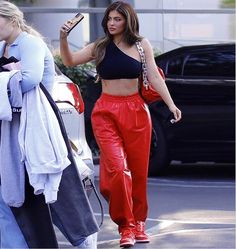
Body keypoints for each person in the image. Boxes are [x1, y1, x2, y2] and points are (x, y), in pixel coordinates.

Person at [60, 1, 182, 248]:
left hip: (136, 111)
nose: (111, 23)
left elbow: (155, 76)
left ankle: (139, 223)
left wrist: (171, 104)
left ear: (128, 21)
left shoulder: (141, 45)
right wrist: (64, 37)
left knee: (137, 172)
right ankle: (125, 226)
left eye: (117, 19)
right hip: (106, 112)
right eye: (109, 19)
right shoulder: (100, 46)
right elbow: (70, 60)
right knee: (117, 170)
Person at [0, 1, 98, 248]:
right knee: (14, 193)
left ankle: (85, 239)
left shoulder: (31, 43)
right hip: (10, 128)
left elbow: (30, 79)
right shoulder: (3, 46)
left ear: (11, 19)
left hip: (38, 127)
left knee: (57, 190)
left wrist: (4, 81)